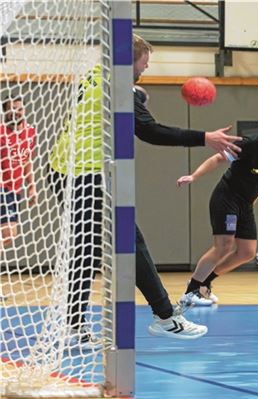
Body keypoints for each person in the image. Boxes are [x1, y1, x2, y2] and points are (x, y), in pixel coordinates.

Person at [49, 33, 242, 342]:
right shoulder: (120, 88)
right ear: (129, 61)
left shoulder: (96, 74)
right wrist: (205, 138)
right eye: (144, 63)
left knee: (84, 251)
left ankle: (73, 326)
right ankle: (166, 316)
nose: (146, 69)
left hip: (61, 169)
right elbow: (152, 132)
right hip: (88, 172)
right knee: (131, 240)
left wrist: (136, 95)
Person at [178, 105, 258, 306]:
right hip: (227, 198)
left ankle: (206, 282)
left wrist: (254, 199)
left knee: (246, 252)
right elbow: (217, 159)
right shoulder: (250, 145)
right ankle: (191, 291)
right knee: (224, 246)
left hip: (246, 203)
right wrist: (193, 176)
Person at [0, 97, 36, 250]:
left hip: (16, 189)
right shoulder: (1, 132)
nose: (16, 113)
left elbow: (27, 160)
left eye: (20, 109)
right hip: (3, 187)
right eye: (12, 109)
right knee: (8, 232)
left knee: (9, 235)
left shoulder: (30, 132)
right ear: (5, 111)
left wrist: (32, 186)